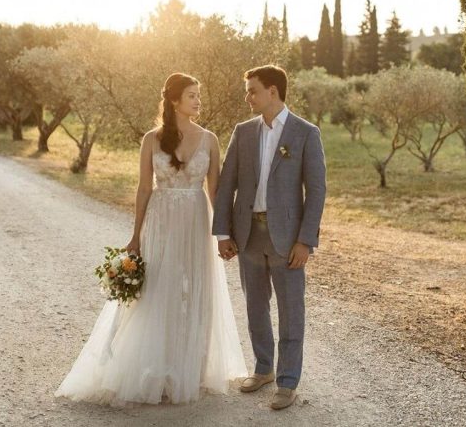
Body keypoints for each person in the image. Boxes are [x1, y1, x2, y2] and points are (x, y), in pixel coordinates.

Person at [55, 73, 247, 406]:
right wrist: (135, 235)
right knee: (158, 289)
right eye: (192, 95)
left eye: (199, 95)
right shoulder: (151, 140)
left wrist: (224, 234)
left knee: (195, 289)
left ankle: (190, 368)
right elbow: (144, 188)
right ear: (174, 100)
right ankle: (154, 367)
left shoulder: (211, 140)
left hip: (196, 218)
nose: (198, 101)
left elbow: (214, 191)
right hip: (160, 218)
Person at [213, 64, 326, 411]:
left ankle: (288, 380)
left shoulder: (306, 132)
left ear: (272, 91)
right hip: (247, 234)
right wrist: (223, 232)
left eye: (252, 90)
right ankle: (263, 369)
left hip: (288, 239)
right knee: (255, 306)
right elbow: (226, 184)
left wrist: (306, 241)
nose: (248, 96)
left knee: (291, 311)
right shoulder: (243, 132)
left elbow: (317, 190)